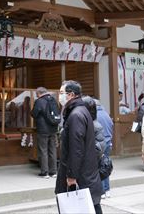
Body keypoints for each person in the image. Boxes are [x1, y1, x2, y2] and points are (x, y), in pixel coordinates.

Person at [55, 81, 103, 214]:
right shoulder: (80, 111)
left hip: (81, 175)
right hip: (86, 173)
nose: (60, 96)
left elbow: (76, 149)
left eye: (61, 93)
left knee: (83, 207)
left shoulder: (76, 115)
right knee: (91, 207)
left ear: (70, 95)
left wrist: (71, 176)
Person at [31, 87, 59, 178]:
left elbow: (34, 114)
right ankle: (53, 172)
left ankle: (45, 172)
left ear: (39, 93)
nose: (36, 95)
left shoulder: (39, 101)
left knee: (43, 150)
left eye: (36, 94)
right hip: (53, 129)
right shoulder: (53, 100)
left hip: (43, 130)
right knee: (52, 150)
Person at [95, 98, 113, 198]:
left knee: (99, 167)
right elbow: (111, 126)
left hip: (99, 144)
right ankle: (107, 190)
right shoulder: (106, 114)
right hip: (108, 142)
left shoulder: (95, 115)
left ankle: (102, 190)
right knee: (105, 166)